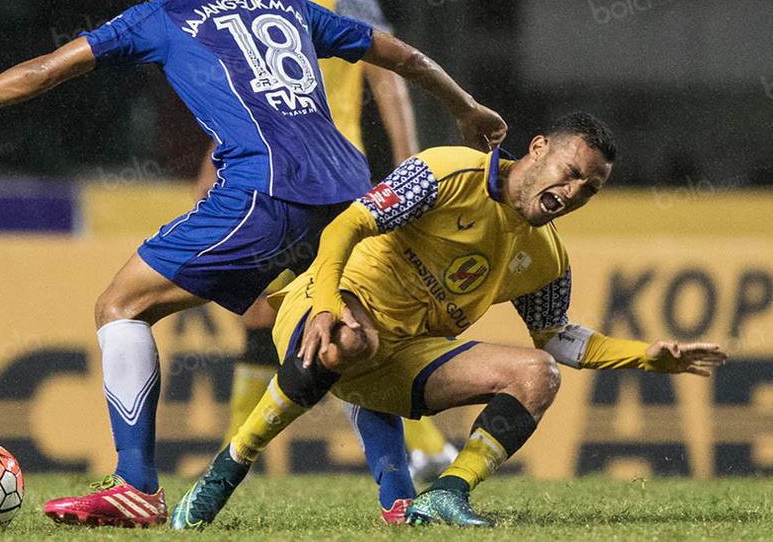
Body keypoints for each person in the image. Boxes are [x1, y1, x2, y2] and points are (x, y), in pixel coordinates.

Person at [0, 0, 506, 528]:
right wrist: (467, 107)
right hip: (350, 194)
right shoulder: (286, 6)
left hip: (266, 193)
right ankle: (398, 500)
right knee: (343, 334)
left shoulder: (163, 13)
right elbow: (397, 53)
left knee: (122, 305)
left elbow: (45, 72)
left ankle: (135, 485)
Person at [171, 113, 727, 528]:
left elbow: (557, 340)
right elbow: (347, 226)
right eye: (572, 172)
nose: (575, 191)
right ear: (538, 149)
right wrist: (323, 302)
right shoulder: (449, 170)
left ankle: (448, 493)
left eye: (591, 188)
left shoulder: (547, 259)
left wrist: (647, 356)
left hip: (404, 355)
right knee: (354, 339)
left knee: (538, 374)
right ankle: (231, 464)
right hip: (327, 307)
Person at [200, 0, 451, 518]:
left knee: (341, 315)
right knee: (257, 313)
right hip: (261, 177)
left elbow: (384, 70)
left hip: (331, 177)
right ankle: (241, 454)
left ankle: (422, 446)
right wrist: (210, 171)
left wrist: (408, 166)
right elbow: (237, 93)